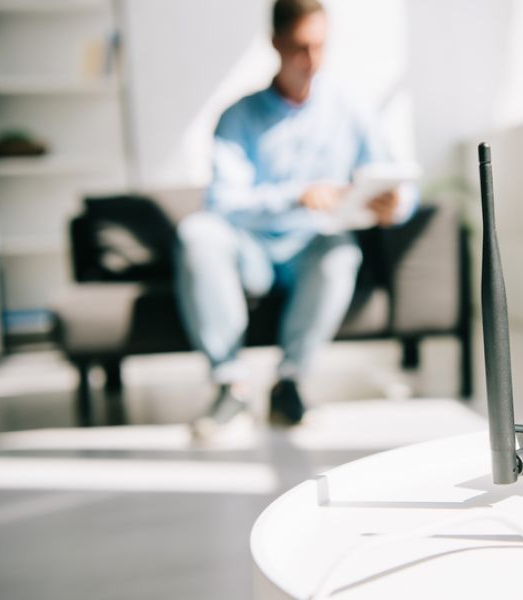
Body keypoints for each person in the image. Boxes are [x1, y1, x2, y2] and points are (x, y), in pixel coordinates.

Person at [175, 0, 416, 435]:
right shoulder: (237, 117)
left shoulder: (350, 111)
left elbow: (400, 185)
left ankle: (290, 383)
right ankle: (231, 384)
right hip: (251, 249)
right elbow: (223, 202)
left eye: (320, 47)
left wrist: (394, 204)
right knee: (198, 232)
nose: (312, 61)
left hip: (312, 247)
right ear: (276, 44)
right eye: (301, 48)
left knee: (341, 252)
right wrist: (296, 196)